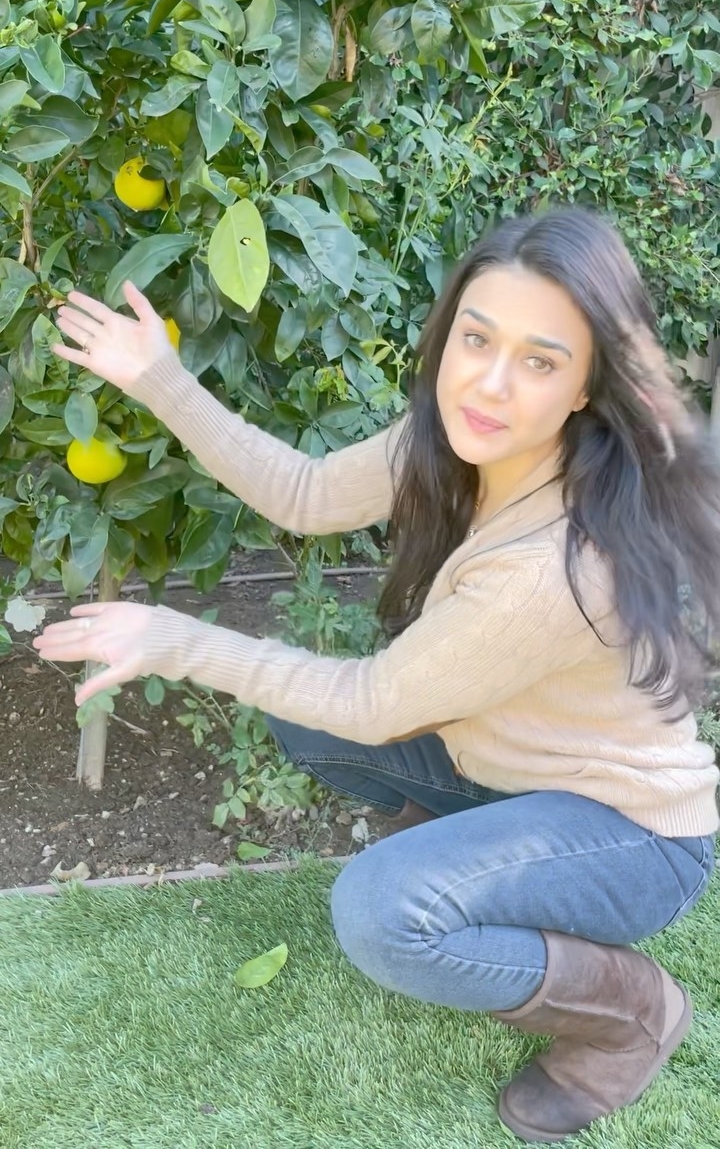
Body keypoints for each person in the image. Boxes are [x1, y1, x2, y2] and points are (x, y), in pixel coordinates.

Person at [34, 205, 719, 1144]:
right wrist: (161, 380)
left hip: (634, 836)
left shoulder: (551, 564)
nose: (488, 382)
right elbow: (307, 494)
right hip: (520, 772)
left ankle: (631, 1015)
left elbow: (376, 703)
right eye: (475, 339)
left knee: (381, 910)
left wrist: (178, 639)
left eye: (540, 360)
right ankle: (469, 847)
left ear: (586, 387)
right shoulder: (459, 440)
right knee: (301, 716)